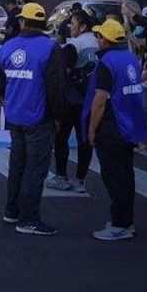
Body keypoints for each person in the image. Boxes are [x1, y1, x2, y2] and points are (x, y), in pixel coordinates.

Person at [0, 2, 66, 236]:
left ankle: (12, 210)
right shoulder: (51, 48)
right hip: (40, 117)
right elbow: (56, 89)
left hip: (15, 116)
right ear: (43, 24)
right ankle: (29, 219)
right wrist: (58, 117)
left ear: (22, 21)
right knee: (35, 169)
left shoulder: (7, 46)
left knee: (18, 165)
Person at [83, 19, 147, 241]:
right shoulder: (130, 57)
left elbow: (99, 100)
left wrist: (92, 130)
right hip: (129, 124)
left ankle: (121, 223)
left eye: (99, 36)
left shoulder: (106, 62)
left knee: (114, 177)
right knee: (125, 175)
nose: (97, 39)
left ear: (106, 40)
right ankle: (125, 220)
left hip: (112, 125)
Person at [47, 10, 96, 193]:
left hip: (71, 100)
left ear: (82, 26)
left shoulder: (73, 45)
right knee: (85, 140)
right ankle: (80, 180)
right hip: (91, 100)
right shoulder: (99, 43)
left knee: (61, 138)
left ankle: (61, 176)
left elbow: (63, 74)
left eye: (73, 23)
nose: (70, 27)